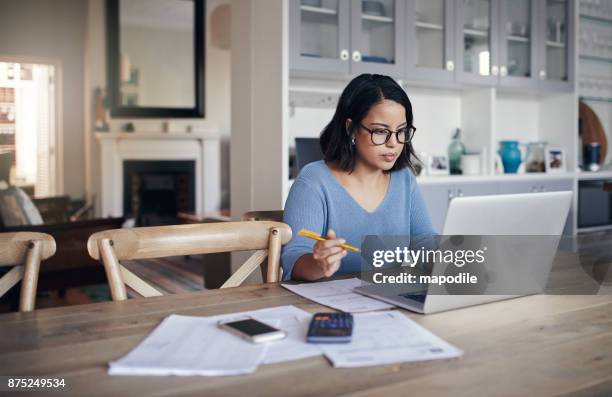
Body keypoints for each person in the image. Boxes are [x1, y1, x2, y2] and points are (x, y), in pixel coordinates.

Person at [281, 74, 437, 281]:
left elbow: (423, 241)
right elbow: (294, 259)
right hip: (328, 306)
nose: (393, 143)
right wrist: (318, 263)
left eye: (401, 131)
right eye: (380, 132)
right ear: (351, 128)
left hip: (391, 299)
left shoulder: (404, 178)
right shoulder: (314, 180)